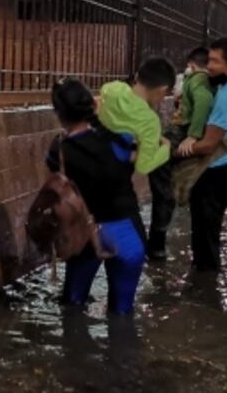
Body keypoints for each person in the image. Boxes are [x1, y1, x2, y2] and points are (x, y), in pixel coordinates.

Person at [45, 79, 146, 315]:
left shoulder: (58, 149)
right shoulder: (121, 138)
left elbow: (55, 190)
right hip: (127, 232)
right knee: (123, 313)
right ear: (92, 103)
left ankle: (75, 350)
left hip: (87, 235)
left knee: (73, 307)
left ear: (59, 114)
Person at [179, 38, 227, 272]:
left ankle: (204, 292)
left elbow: (207, 145)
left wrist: (177, 150)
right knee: (210, 234)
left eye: (215, 61)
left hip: (213, 173)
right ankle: (206, 290)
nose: (209, 66)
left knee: (204, 241)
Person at [146, 47, 215, 260]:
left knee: (160, 180)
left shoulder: (196, 79)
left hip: (182, 132)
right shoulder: (205, 80)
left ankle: (158, 238)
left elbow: (203, 102)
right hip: (183, 131)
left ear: (192, 65)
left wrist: (193, 135)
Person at [97, 57, 176, 176]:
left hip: (91, 158)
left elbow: (101, 95)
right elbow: (143, 167)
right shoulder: (150, 121)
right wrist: (166, 148)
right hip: (116, 175)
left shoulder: (114, 88)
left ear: (137, 76)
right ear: (163, 90)